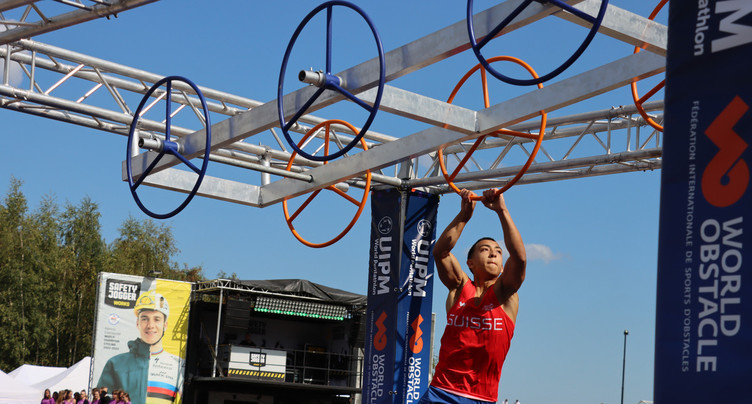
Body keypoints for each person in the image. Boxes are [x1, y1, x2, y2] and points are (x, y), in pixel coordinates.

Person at [420, 189, 526, 404]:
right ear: (470, 263)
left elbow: (519, 257)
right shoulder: (459, 288)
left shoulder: (506, 294)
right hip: (441, 392)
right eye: (485, 249)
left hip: (481, 398)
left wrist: (502, 210)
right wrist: (464, 216)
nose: (494, 253)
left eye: (497, 250)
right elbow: (440, 252)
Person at [97, 291, 184, 404]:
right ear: (138, 323)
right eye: (145, 319)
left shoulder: (178, 365)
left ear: (165, 325)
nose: (150, 325)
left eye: (157, 319)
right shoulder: (115, 363)